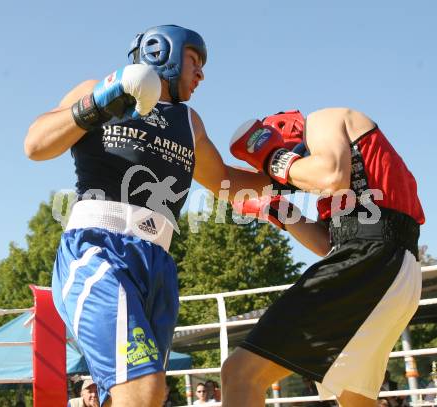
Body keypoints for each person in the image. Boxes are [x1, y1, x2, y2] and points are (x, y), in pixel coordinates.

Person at [24, 24, 270, 407]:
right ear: (162, 51)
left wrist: (289, 174)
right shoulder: (101, 87)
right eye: (194, 61)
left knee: (137, 395)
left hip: (157, 265)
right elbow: (35, 145)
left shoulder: (190, 122)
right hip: (98, 250)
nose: (202, 73)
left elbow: (224, 182)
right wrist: (99, 101)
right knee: (142, 389)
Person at [224, 108, 425, 407]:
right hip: (390, 269)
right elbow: (325, 244)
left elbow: (330, 175)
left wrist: (273, 158)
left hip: (372, 258)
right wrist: (275, 208)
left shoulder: (324, 119)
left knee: (240, 373)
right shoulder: (339, 190)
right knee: (355, 399)